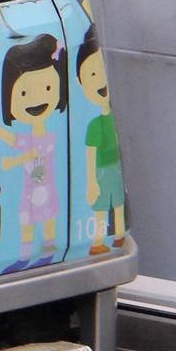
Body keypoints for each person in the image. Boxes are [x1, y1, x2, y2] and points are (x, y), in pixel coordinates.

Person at [0, 35, 70, 270]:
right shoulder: (28, 138)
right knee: (26, 220)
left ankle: (48, 252)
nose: (37, 98)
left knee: (47, 219)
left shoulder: (49, 137)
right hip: (28, 190)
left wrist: (11, 162)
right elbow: (14, 140)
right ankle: (24, 257)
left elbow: (31, 153)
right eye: (22, 94)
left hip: (45, 189)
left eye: (48, 88)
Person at [77, 30, 126, 253]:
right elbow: (90, 153)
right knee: (100, 205)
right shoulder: (93, 123)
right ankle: (97, 241)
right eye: (92, 74)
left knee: (117, 202)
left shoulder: (108, 116)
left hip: (113, 168)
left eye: (99, 72)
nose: (99, 80)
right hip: (101, 170)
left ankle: (118, 236)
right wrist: (91, 182)